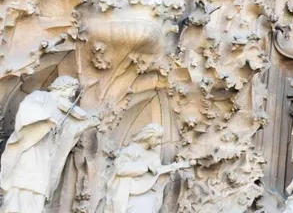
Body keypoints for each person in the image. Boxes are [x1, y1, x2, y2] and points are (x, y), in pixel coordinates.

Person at [0, 76, 99, 213]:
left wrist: (86, 123)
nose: (71, 95)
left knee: (40, 185)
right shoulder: (40, 96)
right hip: (31, 146)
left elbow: (67, 133)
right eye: (71, 90)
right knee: (24, 182)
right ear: (61, 86)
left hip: (46, 152)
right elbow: (26, 111)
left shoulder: (63, 109)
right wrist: (47, 119)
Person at [105, 123, 191, 213]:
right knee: (139, 205)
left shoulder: (154, 155)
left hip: (148, 193)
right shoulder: (132, 150)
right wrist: (145, 166)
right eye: (158, 137)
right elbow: (120, 168)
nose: (159, 142)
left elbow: (155, 175)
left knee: (149, 202)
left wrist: (171, 169)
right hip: (129, 194)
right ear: (148, 136)